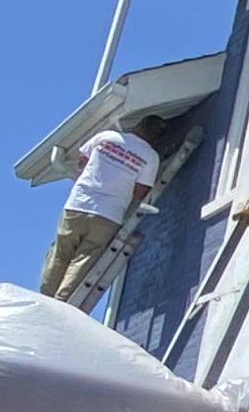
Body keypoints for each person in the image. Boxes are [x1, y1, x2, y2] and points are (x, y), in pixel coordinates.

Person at [40, 114, 167, 301]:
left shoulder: (107, 136)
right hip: (108, 214)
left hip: (78, 204)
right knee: (85, 258)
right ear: (157, 138)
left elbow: (82, 162)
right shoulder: (150, 157)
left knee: (60, 254)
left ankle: (45, 298)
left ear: (138, 125)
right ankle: (62, 301)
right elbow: (141, 192)